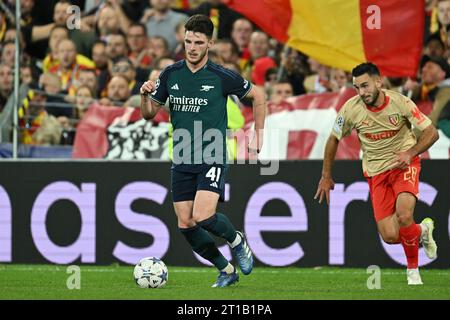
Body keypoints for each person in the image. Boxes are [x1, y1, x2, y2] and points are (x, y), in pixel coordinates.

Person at [140, 14, 266, 288]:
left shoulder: (222, 76)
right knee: (185, 223)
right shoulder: (171, 74)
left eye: (198, 42)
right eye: (188, 41)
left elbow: (258, 96)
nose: (192, 47)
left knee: (203, 216)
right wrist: (144, 95)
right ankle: (226, 269)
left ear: (210, 43)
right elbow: (149, 114)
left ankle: (236, 240)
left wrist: (259, 134)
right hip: (182, 155)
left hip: (213, 154)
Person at [315, 62, 439, 285]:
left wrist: (410, 153)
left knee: (404, 215)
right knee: (390, 236)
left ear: (379, 82)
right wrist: (326, 175)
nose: (362, 92)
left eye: (365, 86)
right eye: (357, 88)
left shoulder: (401, 103)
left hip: (404, 166)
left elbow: (432, 133)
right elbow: (333, 138)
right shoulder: (351, 109)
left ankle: (413, 272)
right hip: (375, 173)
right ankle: (422, 230)